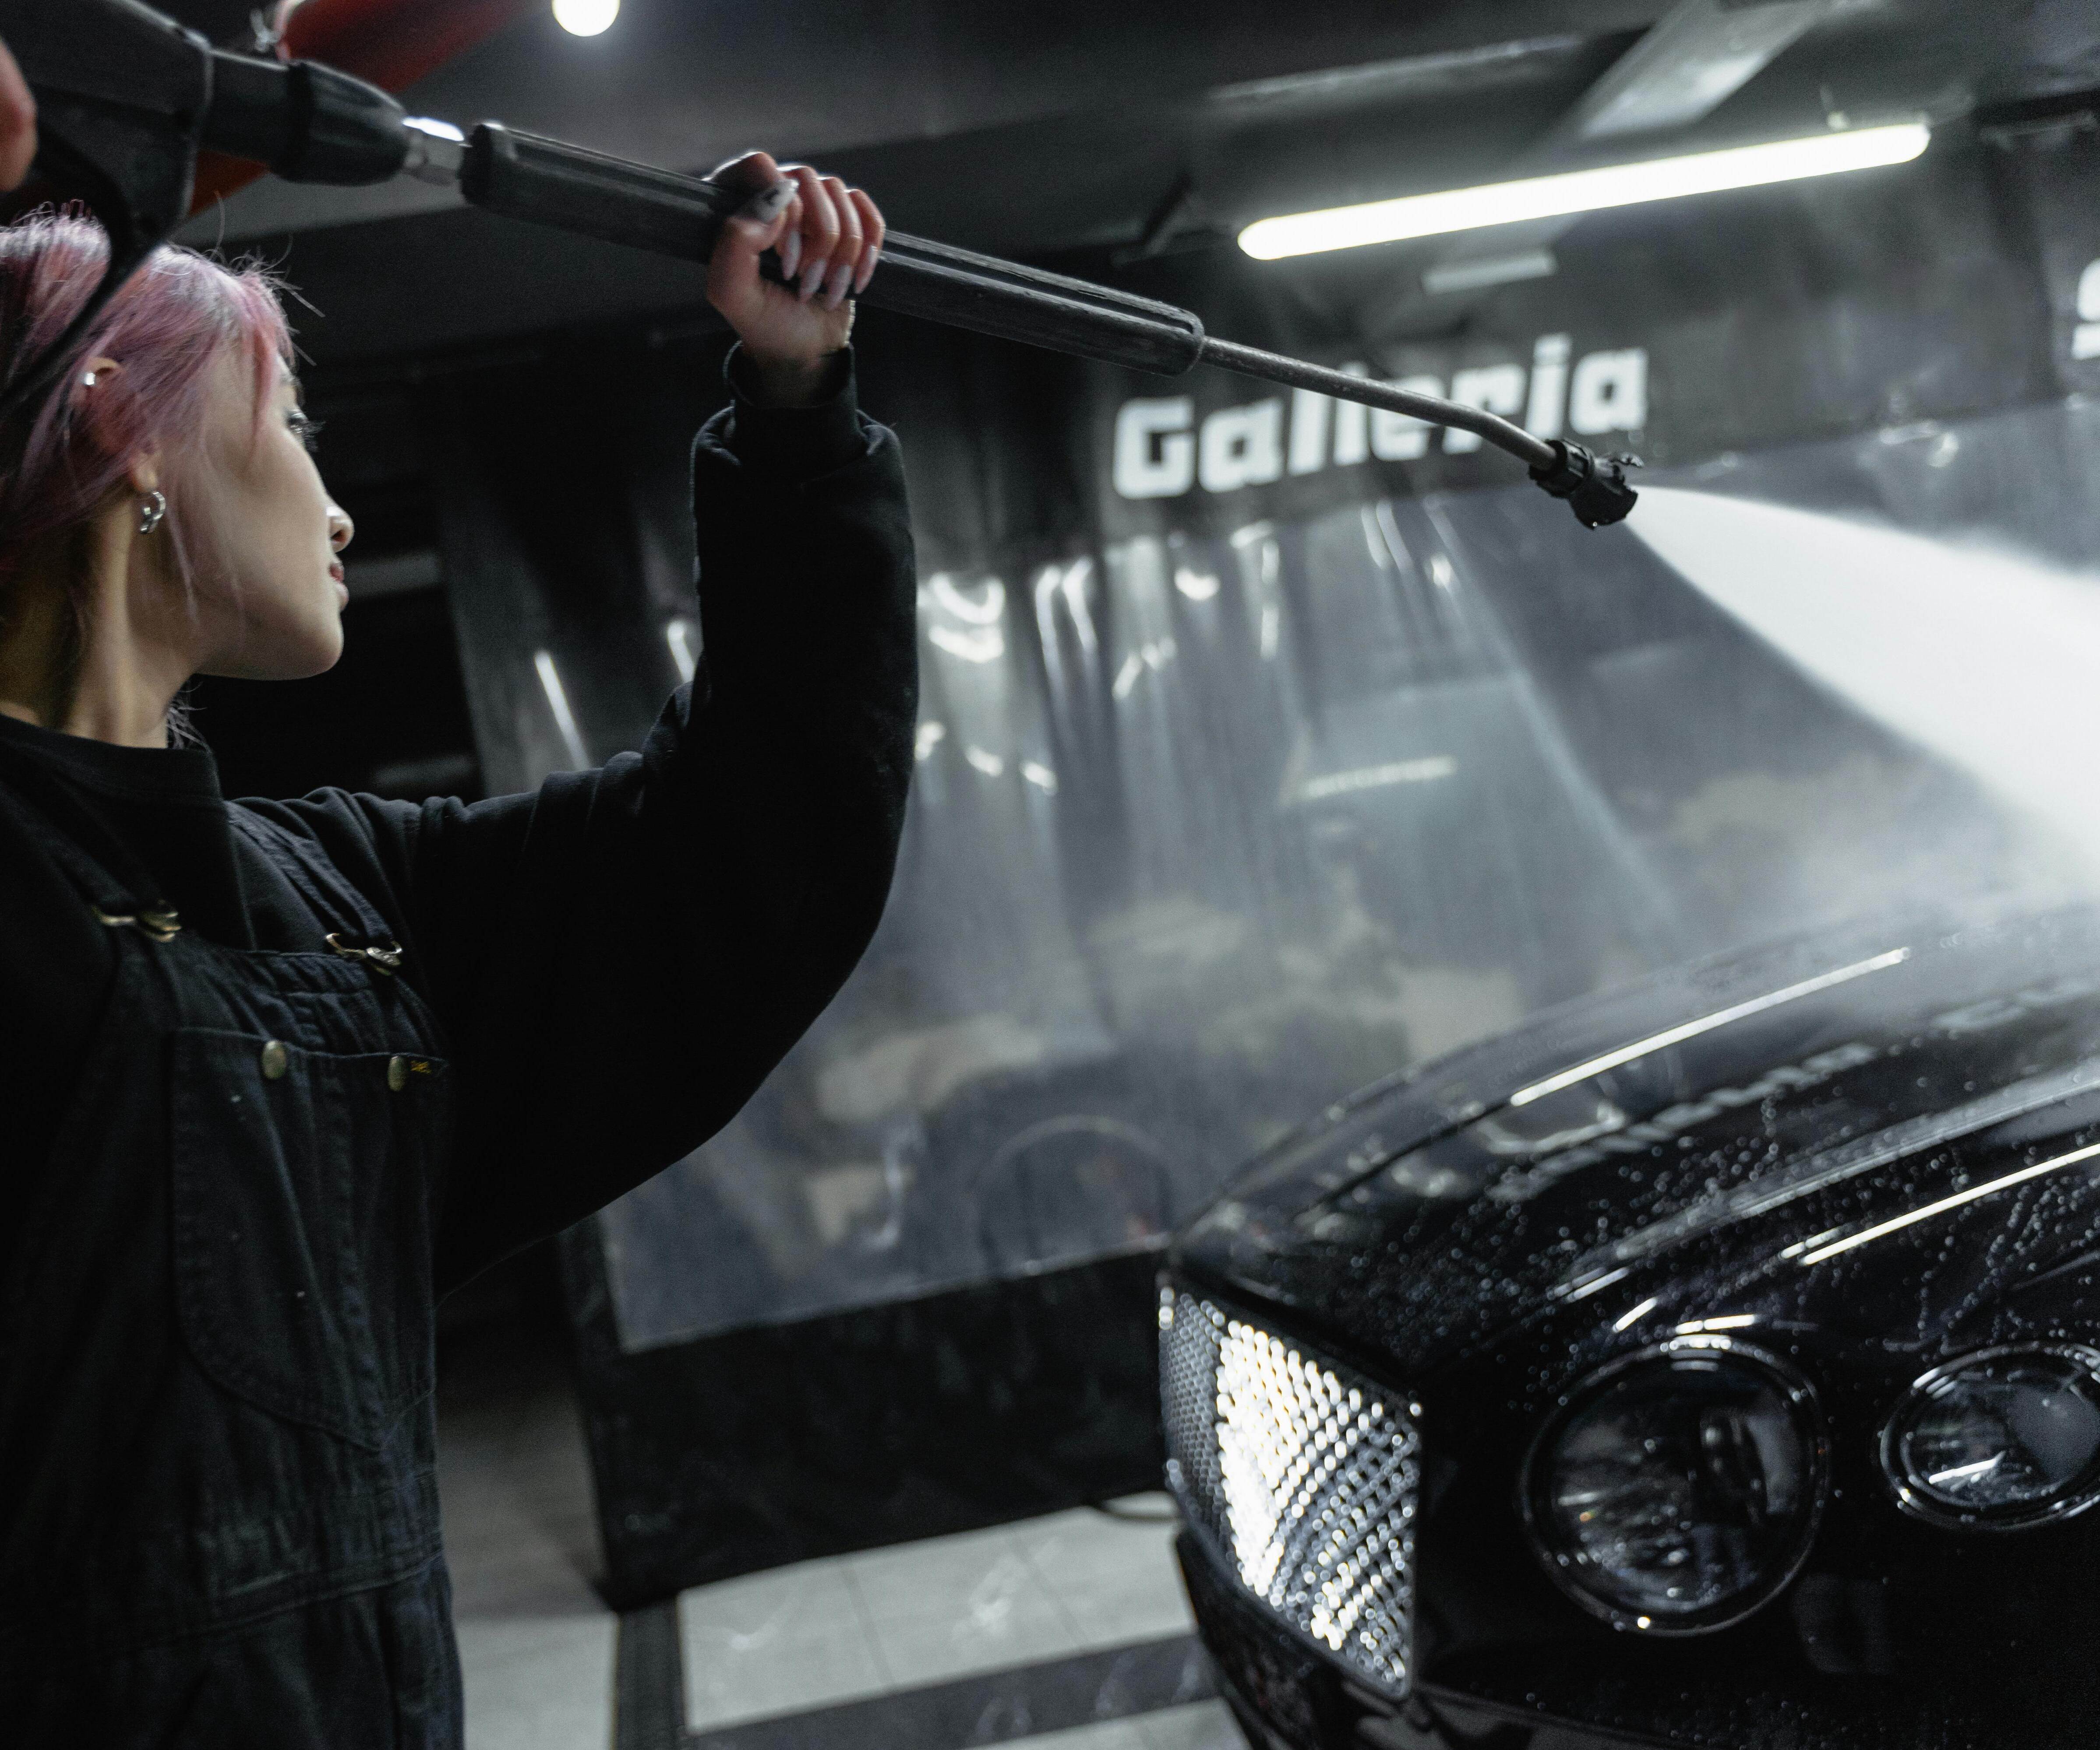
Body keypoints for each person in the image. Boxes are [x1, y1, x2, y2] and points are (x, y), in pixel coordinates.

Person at [0, 148, 912, 1746]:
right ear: (113, 424)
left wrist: (796, 404)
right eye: (289, 423)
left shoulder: (332, 901)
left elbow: (742, 848)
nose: (335, 500)